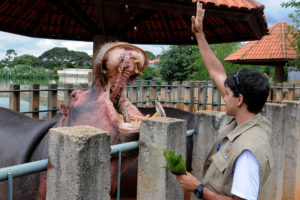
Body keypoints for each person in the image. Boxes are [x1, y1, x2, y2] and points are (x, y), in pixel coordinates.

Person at [176, 2, 273, 200]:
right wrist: (200, 35)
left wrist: (198, 188)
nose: (223, 96)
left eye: (227, 93)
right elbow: (216, 73)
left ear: (240, 100)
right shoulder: (250, 120)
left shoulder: (248, 151)